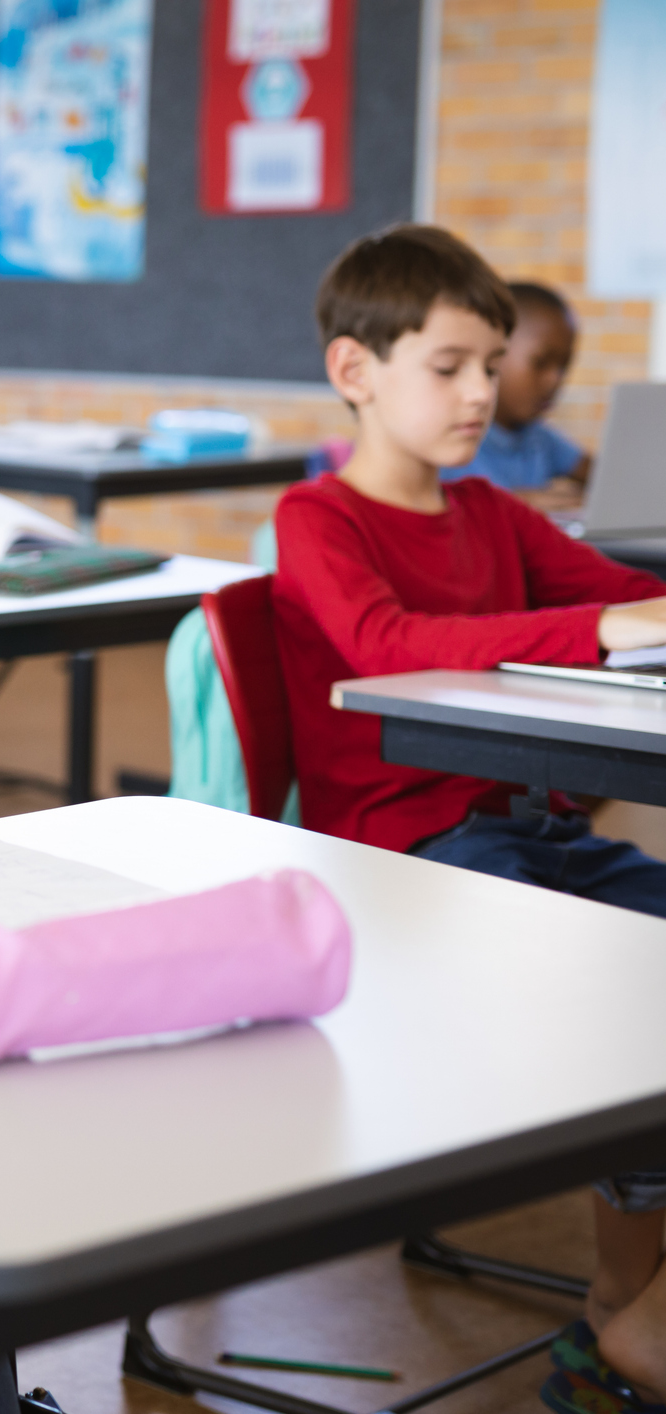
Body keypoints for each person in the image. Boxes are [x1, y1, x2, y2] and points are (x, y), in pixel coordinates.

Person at [267, 225, 666, 1414]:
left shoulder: (491, 512)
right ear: (355, 370)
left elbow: (633, 598)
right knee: (632, 989)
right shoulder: (318, 517)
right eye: (449, 366)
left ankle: (626, 1314)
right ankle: (627, 1315)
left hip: (527, 835)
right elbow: (383, 642)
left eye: (492, 364)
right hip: (410, 862)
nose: (483, 392)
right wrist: (601, 629)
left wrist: (633, 614)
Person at [441, 280, 589, 512]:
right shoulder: (450, 438)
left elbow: (603, 474)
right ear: (495, 356)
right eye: (541, 363)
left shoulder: (540, 438)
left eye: (563, 366)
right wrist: (515, 504)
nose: (555, 380)